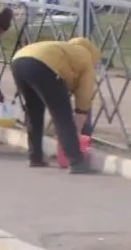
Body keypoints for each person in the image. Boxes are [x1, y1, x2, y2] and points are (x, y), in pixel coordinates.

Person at [11, 36, 101, 172]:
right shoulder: (87, 60)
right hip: (44, 66)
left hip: (19, 61)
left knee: (33, 111)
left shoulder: (65, 49)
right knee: (62, 115)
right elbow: (84, 98)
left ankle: (35, 156)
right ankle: (76, 161)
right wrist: (76, 130)